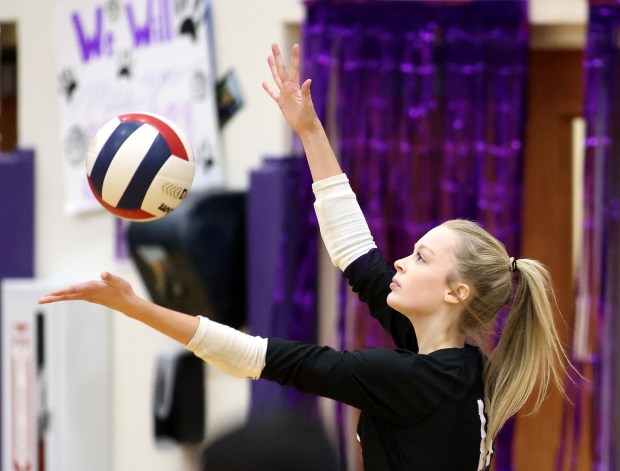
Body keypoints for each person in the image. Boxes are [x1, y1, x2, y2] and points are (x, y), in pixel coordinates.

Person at [39, 43, 570, 471]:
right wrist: (311, 130)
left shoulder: (415, 379)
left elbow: (258, 357)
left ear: (457, 293)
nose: (401, 263)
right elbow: (357, 255)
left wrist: (134, 305)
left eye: (421, 258)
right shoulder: (449, 363)